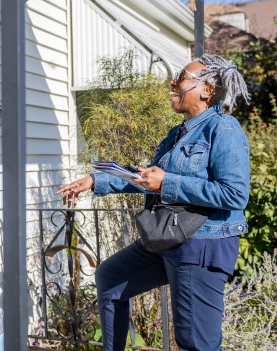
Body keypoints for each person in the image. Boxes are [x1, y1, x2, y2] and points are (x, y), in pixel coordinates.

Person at [56, 54, 251, 351]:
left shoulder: (224, 129)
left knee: (195, 342)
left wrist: (168, 183)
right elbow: (148, 176)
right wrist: (96, 180)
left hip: (201, 245)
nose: (172, 83)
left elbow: (234, 194)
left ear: (207, 90)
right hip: (168, 238)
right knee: (111, 279)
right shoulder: (178, 133)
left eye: (182, 78)